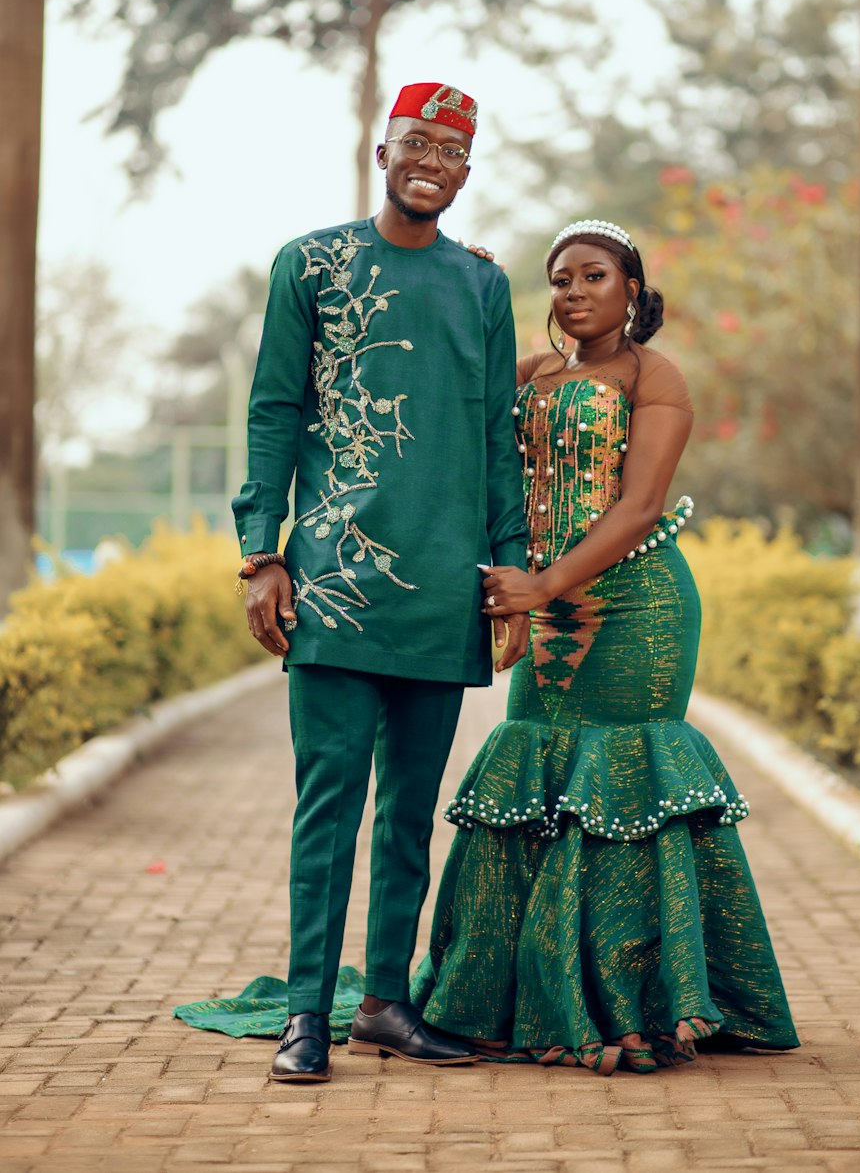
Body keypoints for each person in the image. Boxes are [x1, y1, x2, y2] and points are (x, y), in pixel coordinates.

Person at [175, 83, 530, 1082]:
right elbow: (273, 412)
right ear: (384, 152)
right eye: (416, 141)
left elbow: (500, 440)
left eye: (452, 149)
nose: (432, 160)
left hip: (444, 590)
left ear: (466, 171)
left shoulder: (484, 287)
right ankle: (304, 1014)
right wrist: (262, 551)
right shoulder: (313, 263)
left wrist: (510, 563)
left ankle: (383, 1001)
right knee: (327, 806)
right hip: (332, 583)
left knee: (411, 810)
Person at [411, 218, 800, 1074]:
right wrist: (457, 282)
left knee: (621, 793)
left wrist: (542, 587)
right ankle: (510, 1003)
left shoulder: (655, 377)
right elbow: (452, 398)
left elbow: (639, 508)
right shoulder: (531, 374)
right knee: (532, 782)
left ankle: (632, 1008)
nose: (574, 292)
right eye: (559, 280)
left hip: (638, 609)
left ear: (631, 288)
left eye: (593, 276)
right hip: (546, 615)